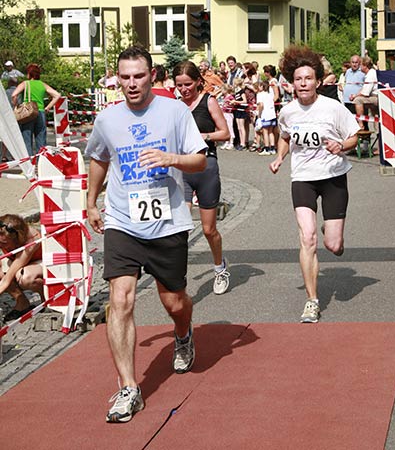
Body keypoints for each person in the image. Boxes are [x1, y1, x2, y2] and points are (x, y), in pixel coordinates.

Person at [85, 46, 207, 424]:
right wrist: (91, 202)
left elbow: (199, 159)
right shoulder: (107, 118)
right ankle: (128, 387)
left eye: (139, 76)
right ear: (117, 79)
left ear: (152, 75)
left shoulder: (174, 111)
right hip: (123, 220)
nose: (132, 83)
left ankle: (183, 332)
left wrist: (171, 158)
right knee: (120, 298)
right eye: (125, 77)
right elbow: (99, 158)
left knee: (174, 302)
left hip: (167, 222)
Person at [269, 45, 359, 324]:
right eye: (298, 79)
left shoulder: (333, 108)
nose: (303, 83)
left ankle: (331, 231)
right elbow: (285, 137)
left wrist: (341, 145)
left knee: (333, 244)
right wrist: (279, 157)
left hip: (333, 177)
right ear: (292, 83)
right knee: (307, 238)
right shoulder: (288, 112)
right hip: (303, 178)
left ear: (318, 81)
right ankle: (312, 300)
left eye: (308, 78)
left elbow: (354, 136)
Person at [173, 61, 231, 294]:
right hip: (183, 170)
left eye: (188, 84)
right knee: (181, 227)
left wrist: (202, 136)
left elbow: (225, 133)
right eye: (179, 85)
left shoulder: (209, 101)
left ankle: (220, 267)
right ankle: (177, 277)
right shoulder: (175, 106)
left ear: (198, 81)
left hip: (206, 167)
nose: (184, 89)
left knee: (208, 230)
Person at [0, 214, 43, 321]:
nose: (1, 246)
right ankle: (22, 303)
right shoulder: (3, 236)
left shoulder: (31, 239)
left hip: (39, 260)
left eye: (4, 243)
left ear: (16, 238)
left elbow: (6, 280)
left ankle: (46, 298)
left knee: (25, 277)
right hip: (17, 261)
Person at [11, 64, 60, 156]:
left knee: (27, 138)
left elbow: (14, 95)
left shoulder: (25, 83)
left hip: (28, 113)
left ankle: (28, 162)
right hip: (40, 112)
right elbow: (57, 95)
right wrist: (48, 107)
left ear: (29, 74)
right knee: (41, 139)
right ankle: (41, 161)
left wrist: (16, 105)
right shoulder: (43, 84)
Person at [350, 56, 379, 129]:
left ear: (365, 66)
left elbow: (365, 93)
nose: (359, 67)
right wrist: (355, 94)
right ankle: (377, 130)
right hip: (374, 96)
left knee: (358, 100)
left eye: (361, 65)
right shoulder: (370, 73)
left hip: (376, 97)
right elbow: (363, 89)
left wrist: (355, 96)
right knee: (375, 114)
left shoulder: (370, 75)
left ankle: (361, 124)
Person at [256, 79, 277, 155]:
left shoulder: (260, 95)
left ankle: (267, 148)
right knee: (270, 132)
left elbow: (261, 105)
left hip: (265, 115)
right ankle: (272, 148)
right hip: (272, 114)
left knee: (265, 132)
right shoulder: (270, 94)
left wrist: (259, 115)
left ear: (262, 86)